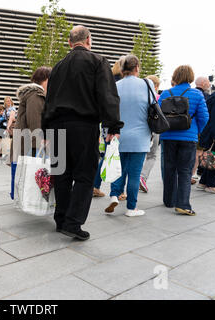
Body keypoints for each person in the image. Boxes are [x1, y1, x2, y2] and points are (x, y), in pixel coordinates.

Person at [41, 25, 123, 240]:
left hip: (56, 126)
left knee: (61, 174)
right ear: (89, 40)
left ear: (70, 42)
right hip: (83, 125)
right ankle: (73, 222)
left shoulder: (58, 66)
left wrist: (45, 131)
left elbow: (48, 100)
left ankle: (61, 219)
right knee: (85, 176)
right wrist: (113, 126)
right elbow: (107, 95)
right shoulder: (97, 61)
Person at [104, 55, 153, 217]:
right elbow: (154, 105)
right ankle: (131, 208)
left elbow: (109, 109)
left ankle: (114, 195)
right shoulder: (147, 84)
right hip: (140, 136)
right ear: (137, 67)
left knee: (118, 169)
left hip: (120, 134)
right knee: (134, 173)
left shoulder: (115, 85)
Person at [159, 65, 209, 216]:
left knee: (169, 168)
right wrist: (196, 131)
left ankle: (169, 200)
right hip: (188, 138)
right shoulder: (196, 94)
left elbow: (158, 115)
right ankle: (183, 204)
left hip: (168, 136)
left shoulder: (165, 93)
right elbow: (204, 117)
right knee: (185, 171)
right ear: (191, 77)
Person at [10, 66, 52, 199]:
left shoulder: (32, 94)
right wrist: (41, 142)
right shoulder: (36, 95)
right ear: (45, 80)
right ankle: (23, 197)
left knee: (20, 170)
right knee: (28, 170)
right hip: (29, 142)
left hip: (23, 140)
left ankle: (17, 195)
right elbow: (35, 120)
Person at [93, 56, 126, 198]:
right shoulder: (121, 83)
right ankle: (118, 191)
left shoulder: (109, 80)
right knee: (116, 157)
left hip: (105, 124)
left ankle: (95, 185)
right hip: (116, 124)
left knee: (107, 155)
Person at [139, 75, 161, 193]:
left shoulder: (140, 96)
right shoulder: (157, 97)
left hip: (141, 129)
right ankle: (143, 177)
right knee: (152, 155)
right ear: (156, 86)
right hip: (154, 129)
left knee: (139, 155)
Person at [191, 76, 213, 183]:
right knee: (198, 152)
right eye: (208, 82)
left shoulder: (190, 92)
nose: (209, 84)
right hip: (200, 128)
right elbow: (205, 116)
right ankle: (193, 173)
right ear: (203, 83)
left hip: (187, 128)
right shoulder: (206, 96)